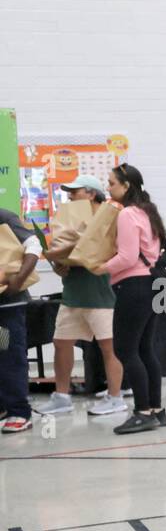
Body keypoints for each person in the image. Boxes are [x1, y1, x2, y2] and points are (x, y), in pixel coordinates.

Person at [33, 175, 129, 418]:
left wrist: (59, 250)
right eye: (69, 192)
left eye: (75, 192)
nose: (70, 196)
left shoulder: (109, 218)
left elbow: (115, 251)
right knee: (61, 343)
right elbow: (63, 256)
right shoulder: (69, 221)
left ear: (91, 193)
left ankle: (116, 397)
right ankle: (62, 397)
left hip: (101, 293)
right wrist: (57, 263)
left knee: (109, 347)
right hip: (73, 291)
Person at [89, 163, 166, 435]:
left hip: (133, 286)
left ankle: (142, 412)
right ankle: (156, 410)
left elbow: (127, 257)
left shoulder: (127, 215)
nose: (108, 188)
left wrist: (100, 268)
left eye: (111, 183)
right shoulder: (148, 212)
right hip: (153, 285)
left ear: (126, 186)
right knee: (145, 349)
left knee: (126, 350)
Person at [0, 206, 40, 433]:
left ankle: (19, 412)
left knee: (8, 356)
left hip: (6, 304)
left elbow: (33, 245)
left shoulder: (4, 217)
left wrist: (18, 280)